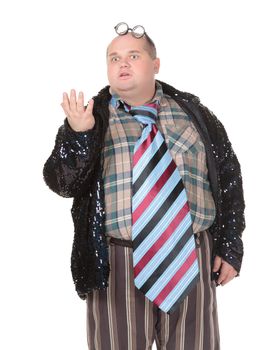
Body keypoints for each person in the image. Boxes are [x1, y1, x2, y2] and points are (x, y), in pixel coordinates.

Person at [43, 22, 245, 350]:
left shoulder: (194, 114)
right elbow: (63, 183)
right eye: (114, 57)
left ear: (155, 64)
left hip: (189, 258)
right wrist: (79, 136)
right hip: (117, 263)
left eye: (133, 55)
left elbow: (227, 178)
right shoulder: (91, 118)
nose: (122, 63)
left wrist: (229, 245)